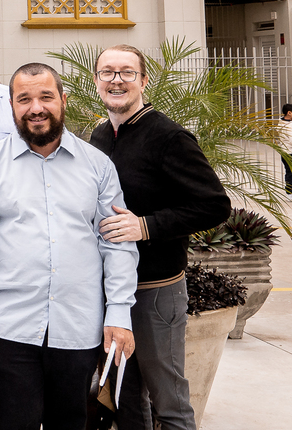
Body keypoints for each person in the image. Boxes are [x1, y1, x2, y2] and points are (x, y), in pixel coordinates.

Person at [0, 62, 138, 430]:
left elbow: (116, 244)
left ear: (63, 101)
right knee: (13, 422)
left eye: (45, 97)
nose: (35, 107)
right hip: (8, 328)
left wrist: (119, 312)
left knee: (70, 423)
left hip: (79, 325)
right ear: (11, 105)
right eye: (24, 99)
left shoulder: (98, 165)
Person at [89, 45, 231, 430]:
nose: (116, 80)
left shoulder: (169, 137)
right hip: (111, 292)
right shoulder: (100, 135)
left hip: (155, 292)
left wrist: (145, 226)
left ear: (143, 80)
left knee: (169, 398)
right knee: (125, 396)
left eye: (126, 72)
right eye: (107, 72)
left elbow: (215, 205)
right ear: (97, 80)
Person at [280, 103, 292, 194]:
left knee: (289, 171)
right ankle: (289, 191)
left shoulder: (282, 123)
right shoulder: (286, 126)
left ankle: (289, 190)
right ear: (289, 113)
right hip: (289, 152)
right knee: (290, 172)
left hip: (285, 152)